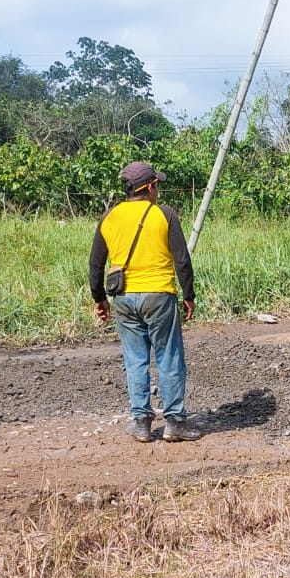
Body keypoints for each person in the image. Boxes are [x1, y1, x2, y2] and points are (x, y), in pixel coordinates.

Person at [89, 161, 201, 443]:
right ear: (149, 187)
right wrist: (189, 295)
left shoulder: (109, 217)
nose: (157, 190)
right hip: (159, 296)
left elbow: (96, 264)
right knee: (169, 357)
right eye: (157, 185)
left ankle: (141, 423)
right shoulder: (164, 214)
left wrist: (99, 299)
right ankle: (175, 423)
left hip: (123, 299)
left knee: (135, 360)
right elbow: (182, 260)